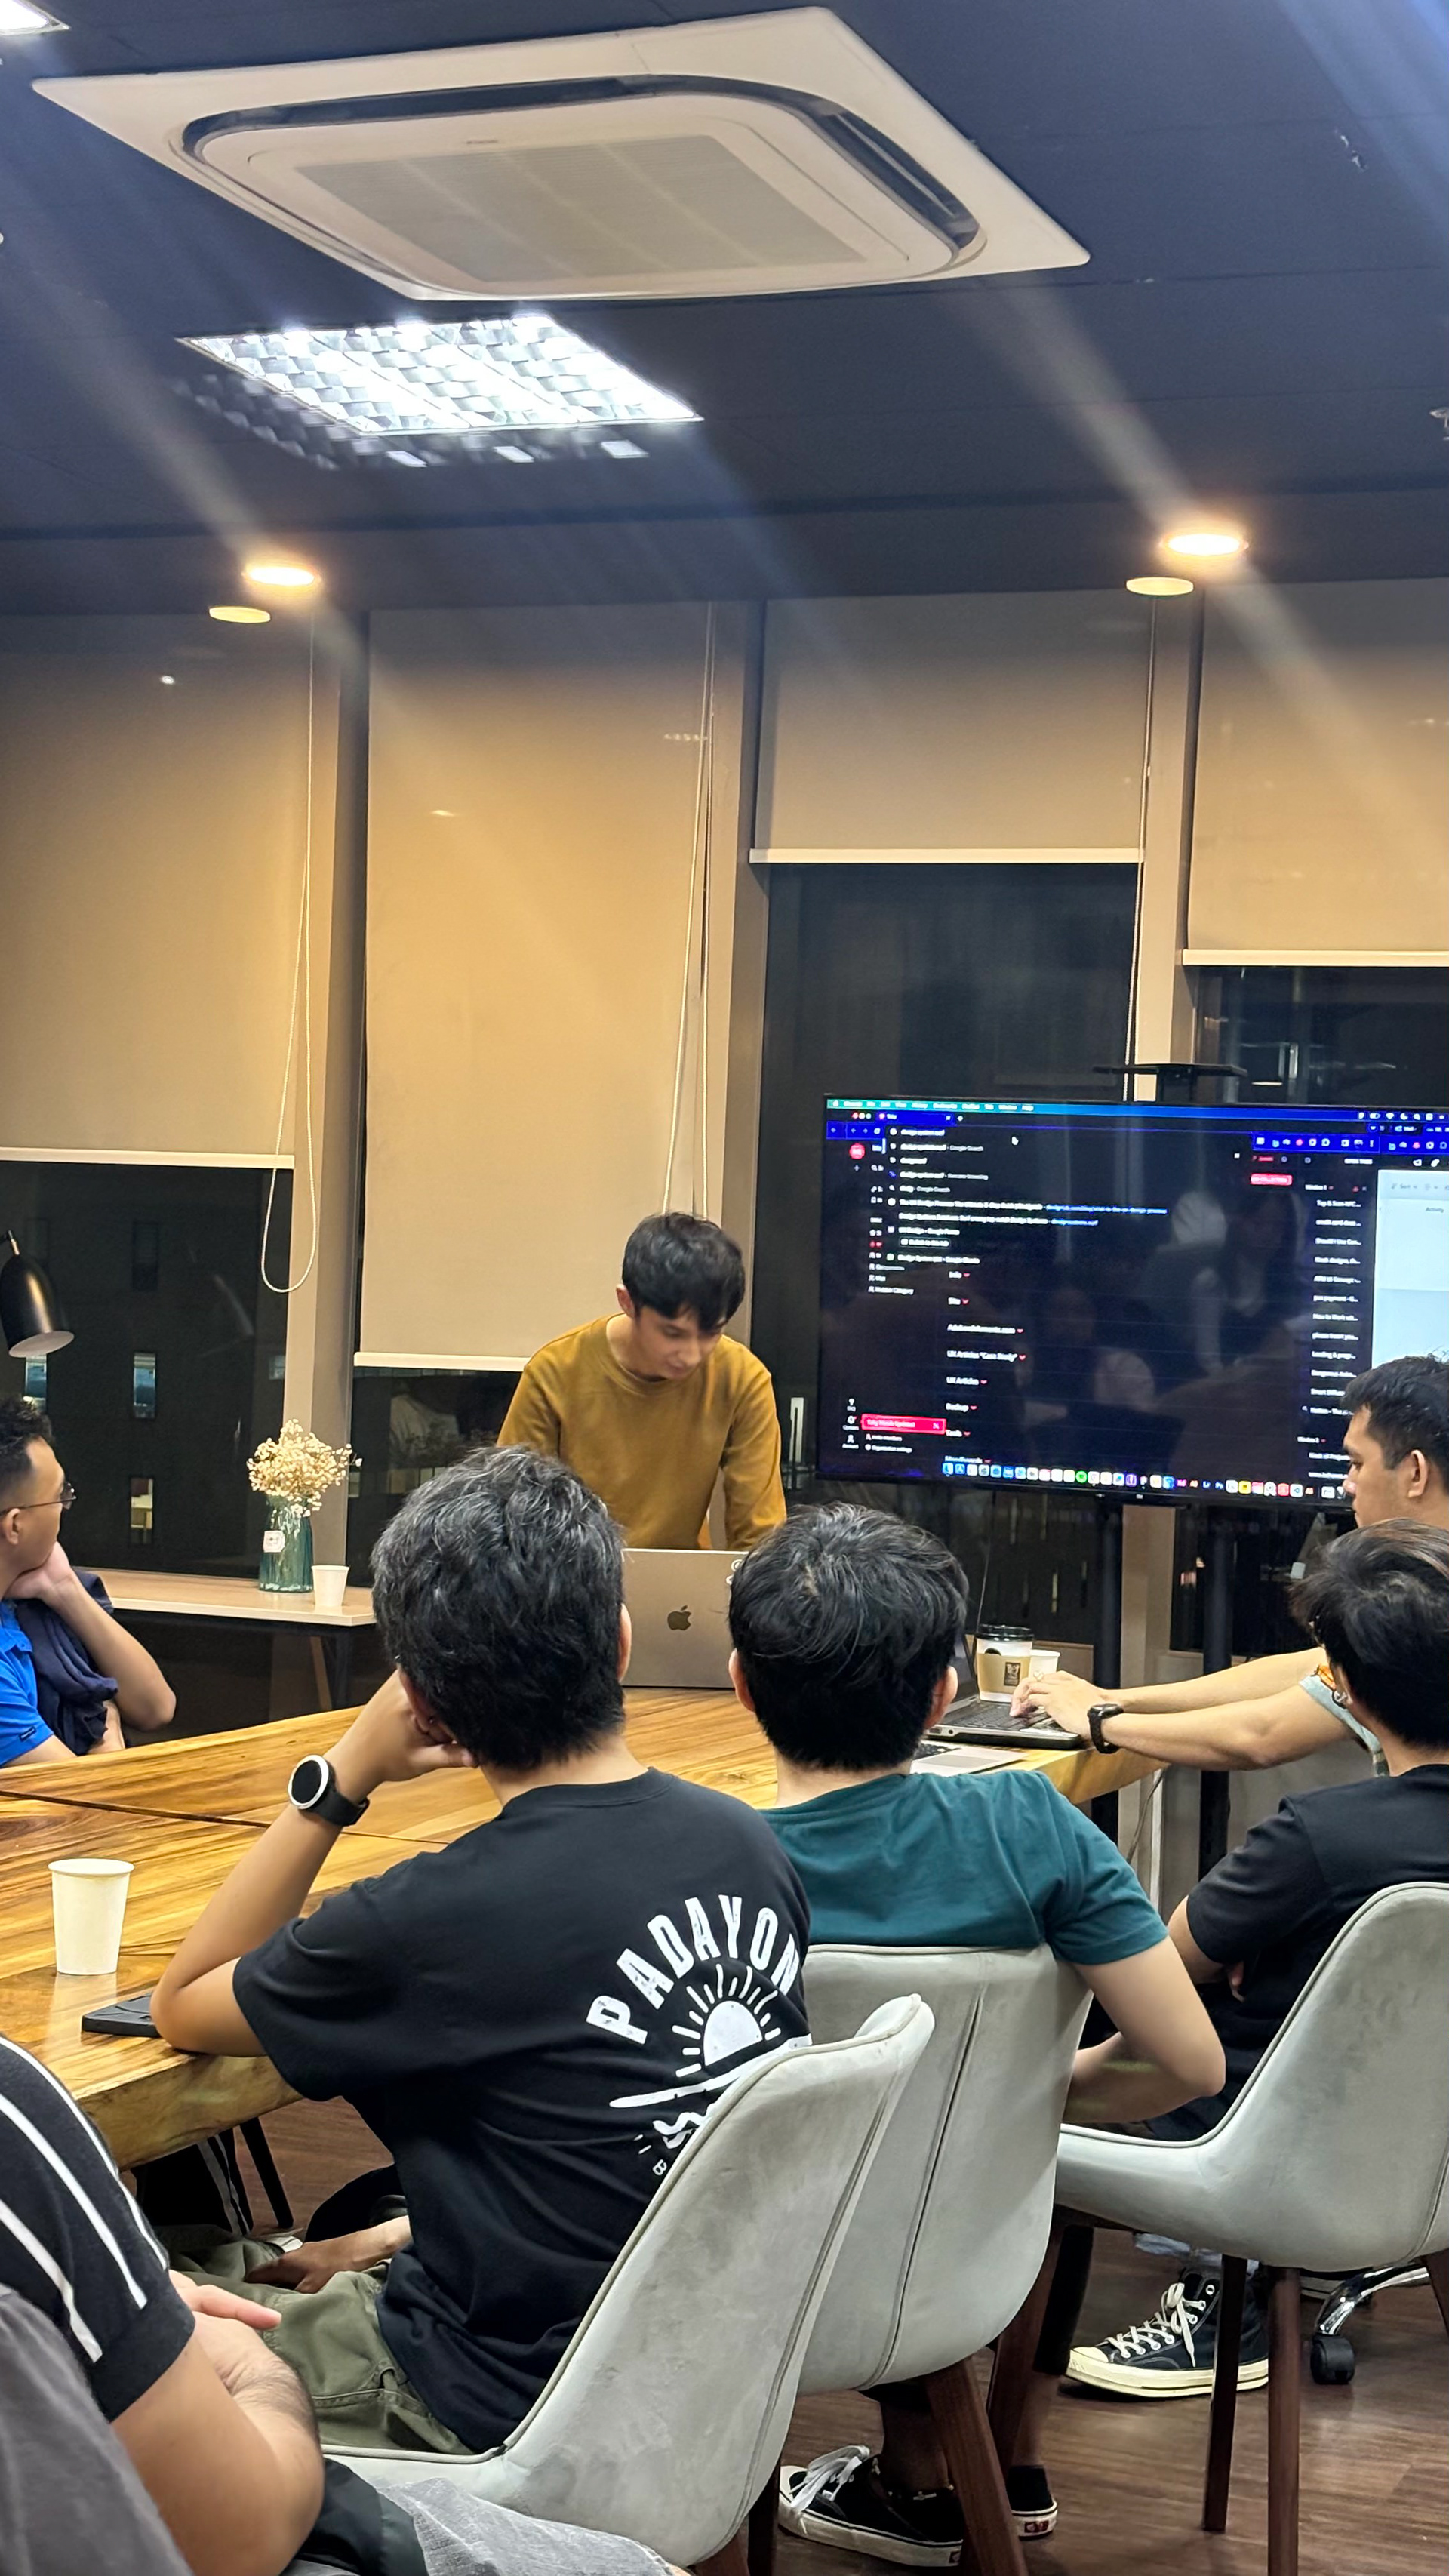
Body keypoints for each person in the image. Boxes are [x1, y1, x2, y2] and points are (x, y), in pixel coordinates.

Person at [152, 1446, 808, 2456]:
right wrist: (404, 2233)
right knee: (243, 2253)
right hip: (703, 2376)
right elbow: (632, 2142)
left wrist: (344, 1774)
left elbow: (185, 2001)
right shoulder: (749, 1846)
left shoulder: (429, 1916)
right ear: (621, 1641)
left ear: (423, 1704)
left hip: (489, 2400)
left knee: (96, 2325)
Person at [726, 1503, 1225, 2556]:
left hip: (730, 2289)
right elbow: (1188, 2060)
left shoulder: (701, 1858)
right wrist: (1023, 2090)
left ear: (741, 1685)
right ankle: (973, 2467)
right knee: (1041, 2158)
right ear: (943, 1696)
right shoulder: (1032, 1828)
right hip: (959, 2274)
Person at [0, 2035, 687, 2576]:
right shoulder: (17, 2114)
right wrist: (249, 2368)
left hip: (517, 2364)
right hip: (612, 2364)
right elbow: (243, 2538)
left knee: (309, 2225)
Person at [1065, 1518, 1449, 2397]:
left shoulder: (1319, 1838)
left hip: (1266, 2144)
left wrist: (1258, 1947)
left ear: (1344, 1687)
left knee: (1082, 2031)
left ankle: (1207, 2315)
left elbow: (1159, 1971)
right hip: (1430, 2150)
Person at [1013, 1355, 1449, 1772]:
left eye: (1356, 1464)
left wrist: (1098, 1721)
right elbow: (1313, 1669)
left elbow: (1263, 1735)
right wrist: (1117, 1699)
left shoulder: (1426, 1602)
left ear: (1415, 1472)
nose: (1347, 1484)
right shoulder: (1427, 1582)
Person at [497, 1212, 786, 1547]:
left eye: (711, 1333)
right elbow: (511, 1514)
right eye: (672, 1333)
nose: (691, 1355)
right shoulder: (555, 1372)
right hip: (575, 1570)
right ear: (627, 1302)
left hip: (680, 1574)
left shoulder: (743, 1379)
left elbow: (760, 1535)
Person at [0, 1394, 174, 1765]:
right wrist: (107, 1732)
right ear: (15, 1525)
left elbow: (157, 1707)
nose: (64, 1507)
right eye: (57, 1497)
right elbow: (77, 1792)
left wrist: (64, 1589)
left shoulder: (24, 1598)